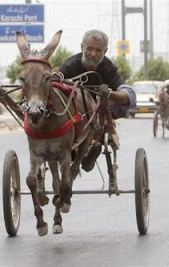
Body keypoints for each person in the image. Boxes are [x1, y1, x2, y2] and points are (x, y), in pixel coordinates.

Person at [53, 29, 136, 172]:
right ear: (82, 47)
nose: (93, 54)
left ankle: (91, 146)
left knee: (111, 111)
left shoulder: (108, 67)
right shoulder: (70, 65)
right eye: (89, 49)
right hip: (75, 113)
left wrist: (110, 94)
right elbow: (56, 81)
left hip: (99, 112)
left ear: (105, 51)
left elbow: (126, 94)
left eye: (98, 50)